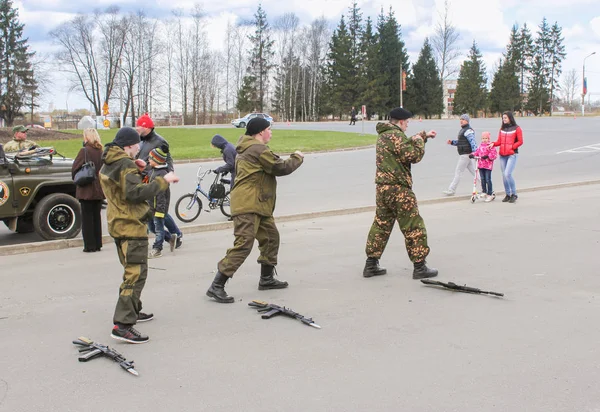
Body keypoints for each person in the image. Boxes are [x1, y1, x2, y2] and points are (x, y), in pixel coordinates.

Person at [206, 118, 304, 303]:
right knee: (244, 244)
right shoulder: (257, 149)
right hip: (248, 204)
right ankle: (217, 285)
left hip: (258, 204)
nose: (271, 132)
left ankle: (266, 279)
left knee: (271, 238)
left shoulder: (248, 147)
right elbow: (279, 167)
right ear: (260, 132)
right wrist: (297, 157)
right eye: (269, 129)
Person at [99, 127, 179, 343]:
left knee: (134, 272)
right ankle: (123, 325)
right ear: (128, 145)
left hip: (118, 223)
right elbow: (134, 193)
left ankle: (133, 310)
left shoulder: (110, 161)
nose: (139, 148)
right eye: (137, 145)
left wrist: (140, 172)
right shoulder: (124, 164)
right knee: (134, 275)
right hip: (130, 226)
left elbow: (124, 187)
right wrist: (164, 181)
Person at [363, 107, 438, 280]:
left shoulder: (384, 135)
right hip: (399, 189)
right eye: (407, 123)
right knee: (413, 226)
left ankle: (371, 264)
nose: (408, 126)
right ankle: (420, 266)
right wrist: (420, 142)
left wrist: (423, 136)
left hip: (382, 189)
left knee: (381, 225)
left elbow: (401, 145)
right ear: (402, 122)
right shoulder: (396, 136)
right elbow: (412, 155)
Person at [135, 113, 183, 248]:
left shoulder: (159, 141)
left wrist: (169, 174)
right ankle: (169, 237)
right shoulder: (141, 140)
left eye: (139, 125)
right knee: (150, 210)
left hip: (156, 177)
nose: (136, 128)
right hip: (144, 178)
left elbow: (168, 158)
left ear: (146, 127)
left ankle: (176, 233)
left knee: (159, 211)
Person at [71, 128, 105, 252]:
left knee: (87, 218)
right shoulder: (101, 151)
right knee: (96, 217)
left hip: (87, 188)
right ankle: (97, 243)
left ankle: (89, 245)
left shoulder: (84, 151)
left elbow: (75, 168)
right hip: (99, 188)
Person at [146, 147, 178, 258]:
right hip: (150, 206)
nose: (148, 160)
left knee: (159, 230)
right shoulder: (151, 170)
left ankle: (157, 249)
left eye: (151, 158)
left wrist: (160, 210)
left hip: (158, 208)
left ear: (157, 160)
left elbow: (161, 196)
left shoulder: (162, 174)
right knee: (152, 228)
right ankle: (170, 238)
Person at [491, 111, 523, 203]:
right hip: (502, 155)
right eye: (503, 118)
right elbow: (499, 142)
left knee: (507, 174)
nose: (503, 119)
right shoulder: (502, 129)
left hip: (512, 154)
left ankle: (514, 194)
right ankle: (508, 194)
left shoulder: (517, 128)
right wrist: (492, 144)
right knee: (504, 175)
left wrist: (512, 147)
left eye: (505, 118)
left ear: (510, 118)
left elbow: (520, 141)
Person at [442, 114, 477, 196]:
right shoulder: (463, 130)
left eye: (463, 119)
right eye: (460, 119)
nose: (461, 121)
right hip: (467, 154)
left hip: (465, 154)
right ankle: (485, 187)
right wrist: (452, 142)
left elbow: (473, 142)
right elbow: (461, 142)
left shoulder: (468, 130)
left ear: (467, 121)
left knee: (458, 172)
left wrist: (475, 153)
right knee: (475, 172)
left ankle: (451, 189)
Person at [469, 131, 498, 202]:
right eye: (483, 138)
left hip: (488, 166)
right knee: (482, 179)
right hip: (481, 165)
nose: (484, 140)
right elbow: (477, 152)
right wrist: (472, 154)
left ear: (488, 139)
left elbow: (494, 155)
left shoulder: (491, 146)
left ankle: (490, 193)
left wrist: (488, 156)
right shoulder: (480, 146)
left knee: (488, 179)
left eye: (486, 138)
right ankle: (484, 191)